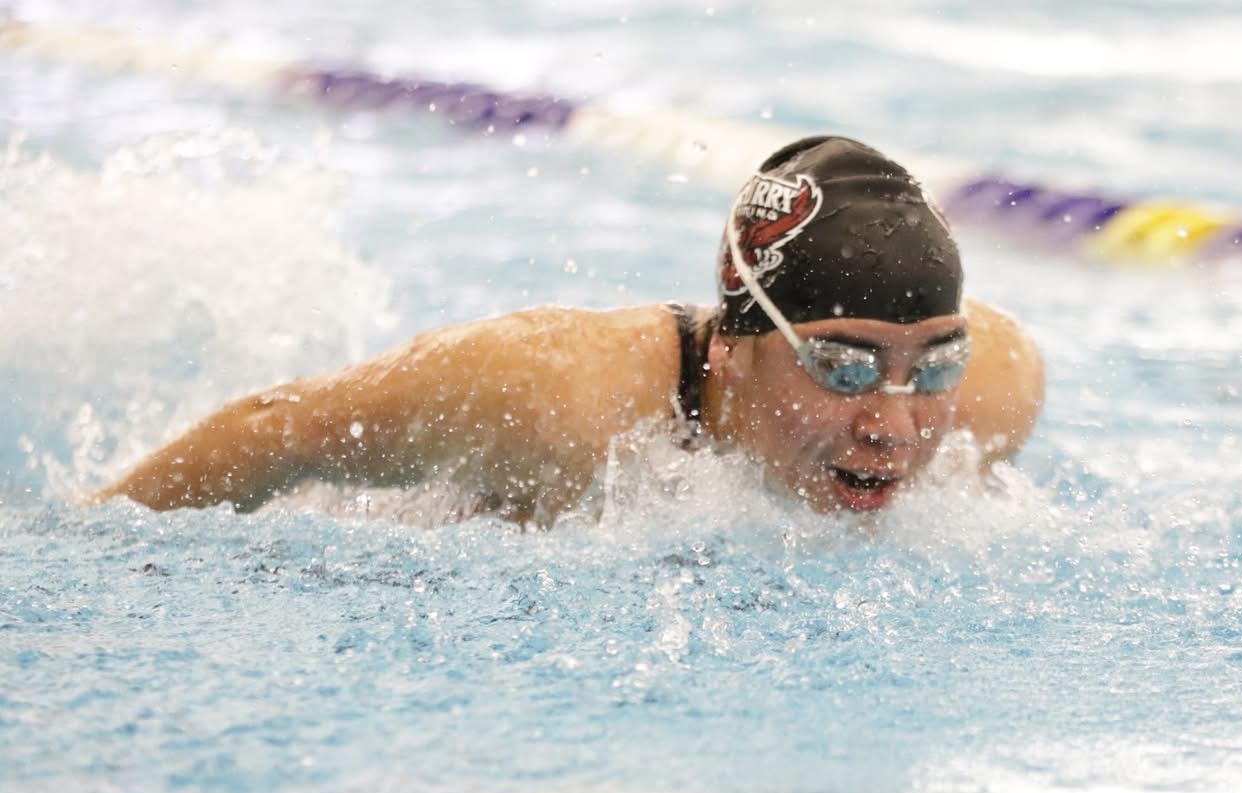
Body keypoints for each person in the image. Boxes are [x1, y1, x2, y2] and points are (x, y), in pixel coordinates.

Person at [92, 135, 1045, 523]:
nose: (894, 424)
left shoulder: (994, 394)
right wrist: (90, 557)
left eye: (931, 366)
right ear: (730, 343)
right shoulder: (554, 397)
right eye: (842, 368)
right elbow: (275, 426)